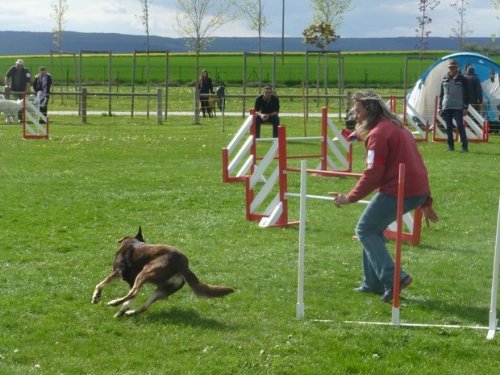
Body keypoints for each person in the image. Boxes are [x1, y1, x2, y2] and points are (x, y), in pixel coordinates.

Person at [332, 90, 438, 303]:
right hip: (416, 189)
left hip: (400, 189)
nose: (356, 115)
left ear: (370, 110)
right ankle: (372, 283)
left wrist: (349, 198)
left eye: (359, 110)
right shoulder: (399, 128)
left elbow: (373, 174)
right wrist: (425, 201)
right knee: (373, 229)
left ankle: (395, 279)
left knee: (364, 229)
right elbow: (419, 164)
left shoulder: (379, 134)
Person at [438, 59, 469, 153]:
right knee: (448, 127)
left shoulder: (462, 79)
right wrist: (440, 106)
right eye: (450, 67)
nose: (452, 69)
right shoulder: (444, 78)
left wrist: (465, 107)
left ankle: (464, 147)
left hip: (458, 106)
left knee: (460, 125)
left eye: (453, 67)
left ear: (457, 67)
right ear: (449, 68)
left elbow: (466, 94)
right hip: (446, 105)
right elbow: (441, 94)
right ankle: (450, 146)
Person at [4, 58, 31, 122]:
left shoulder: (26, 71)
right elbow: (6, 76)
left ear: (23, 65)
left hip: (23, 91)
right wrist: (6, 85)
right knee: (17, 104)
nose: (18, 66)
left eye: (20, 65)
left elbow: (28, 81)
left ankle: (21, 118)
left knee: (23, 105)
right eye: (18, 64)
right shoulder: (13, 69)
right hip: (14, 90)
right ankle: (18, 118)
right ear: (16, 64)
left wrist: (28, 89)